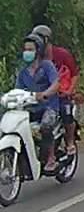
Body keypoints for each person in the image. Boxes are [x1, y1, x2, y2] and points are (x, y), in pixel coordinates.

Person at [16, 34, 61, 171]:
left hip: (49, 107)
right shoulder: (22, 71)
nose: (27, 52)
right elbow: (18, 89)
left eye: (30, 49)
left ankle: (51, 158)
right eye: (25, 49)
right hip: (30, 108)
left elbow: (56, 84)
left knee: (46, 126)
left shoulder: (46, 66)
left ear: (38, 51)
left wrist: (45, 94)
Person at [32, 24, 79, 153]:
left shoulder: (62, 54)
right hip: (43, 96)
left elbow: (74, 74)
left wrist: (69, 90)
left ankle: (70, 142)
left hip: (61, 95)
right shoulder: (34, 58)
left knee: (66, 114)